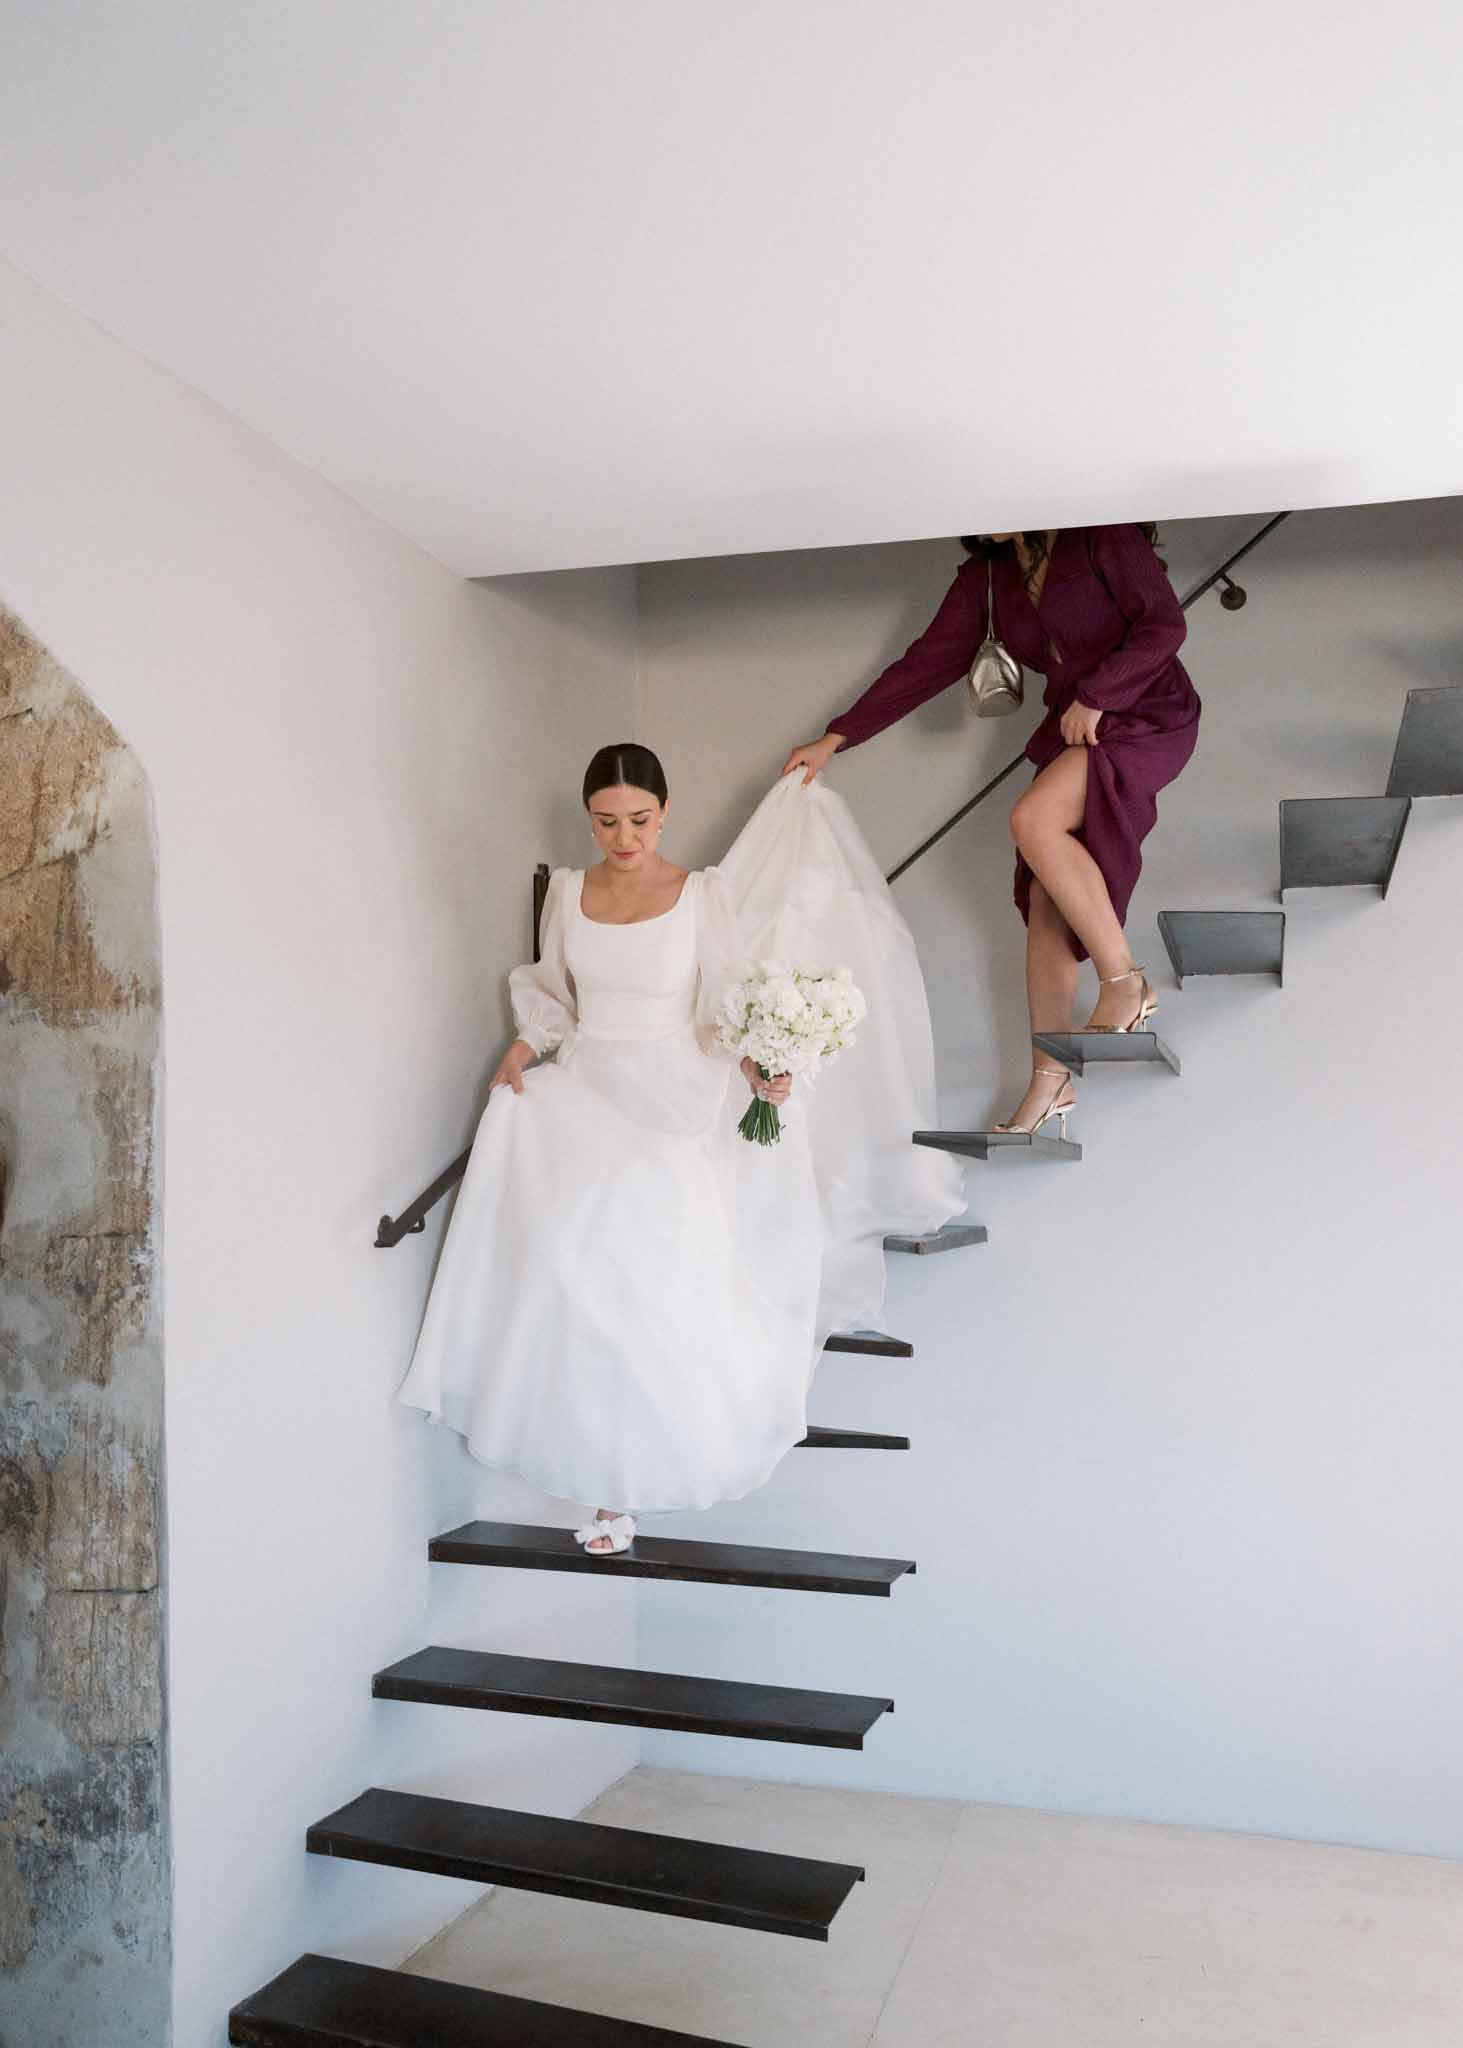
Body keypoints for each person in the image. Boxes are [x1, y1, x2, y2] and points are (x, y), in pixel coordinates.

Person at [397, 744, 964, 1556]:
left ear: (663, 814)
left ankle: (632, 1479)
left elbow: (721, 1006)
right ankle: (601, 1487)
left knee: (656, 1276)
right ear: (588, 819)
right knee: (574, 1275)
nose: (622, 836)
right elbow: (555, 995)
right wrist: (522, 1051)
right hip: (585, 1084)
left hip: (674, 1091)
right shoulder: (568, 890)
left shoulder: (702, 893)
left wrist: (762, 1067)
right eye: (605, 821)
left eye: (638, 820)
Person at [783, 526, 1199, 1137]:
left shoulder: (1102, 536)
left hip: (1147, 713)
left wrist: (1097, 694)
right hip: (1074, 731)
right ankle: (1048, 1085)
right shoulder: (987, 580)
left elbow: (1165, 625)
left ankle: (1125, 983)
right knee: (1043, 901)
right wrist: (837, 738)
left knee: (1033, 819)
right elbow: (928, 661)